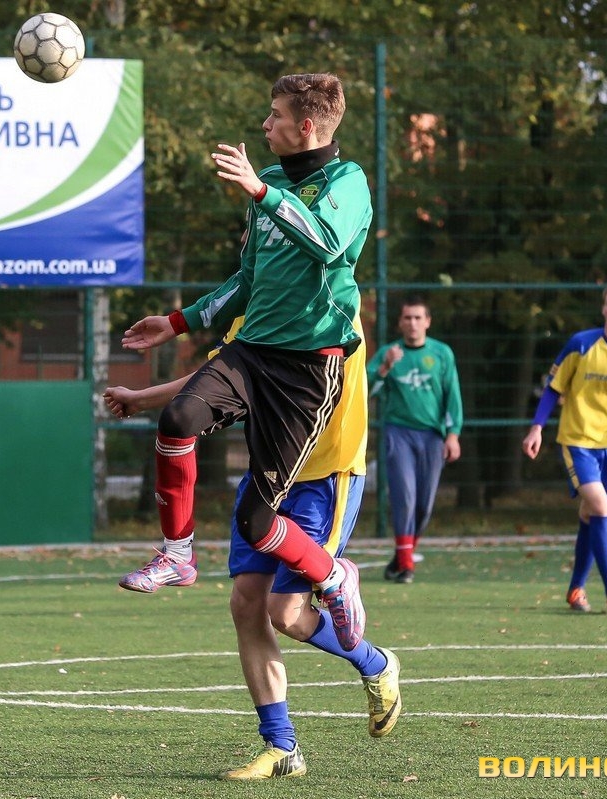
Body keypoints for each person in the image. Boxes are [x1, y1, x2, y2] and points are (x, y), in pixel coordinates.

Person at [116, 73, 374, 653]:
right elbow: (248, 280)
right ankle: (177, 555)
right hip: (253, 349)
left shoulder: (348, 181)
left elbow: (326, 242)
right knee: (178, 420)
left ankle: (333, 576)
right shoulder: (272, 184)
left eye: (275, 115)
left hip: (307, 369)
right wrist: (178, 321)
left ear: (305, 126)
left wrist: (261, 192)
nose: (265, 125)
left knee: (258, 522)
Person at [104, 314, 402, 780]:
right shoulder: (258, 306)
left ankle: (375, 662)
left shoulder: (328, 299)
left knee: (285, 613)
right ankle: (282, 746)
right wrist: (143, 399)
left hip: (324, 477)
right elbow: (220, 375)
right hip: (267, 476)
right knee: (246, 604)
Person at [521, 281, 607, 613]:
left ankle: (575, 589)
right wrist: (537, 427)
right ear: (603, 308)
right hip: (578, 440)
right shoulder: (581, 344)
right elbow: (554, 388)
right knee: (600, 506)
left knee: (590, 513)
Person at [366, 296, 463, 583]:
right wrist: (385, 367)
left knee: (424, 506)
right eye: (407, 318)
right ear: (400, 322)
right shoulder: (389, 353)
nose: (413, 323)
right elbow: (364, 389)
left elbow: (452, 396)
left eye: (418, 318)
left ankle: (400, 557)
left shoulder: (442, 353)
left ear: (427, 322)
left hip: (432, 436)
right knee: (404, 498)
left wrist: (453, 434)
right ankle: (407, 566)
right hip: (399, 433)